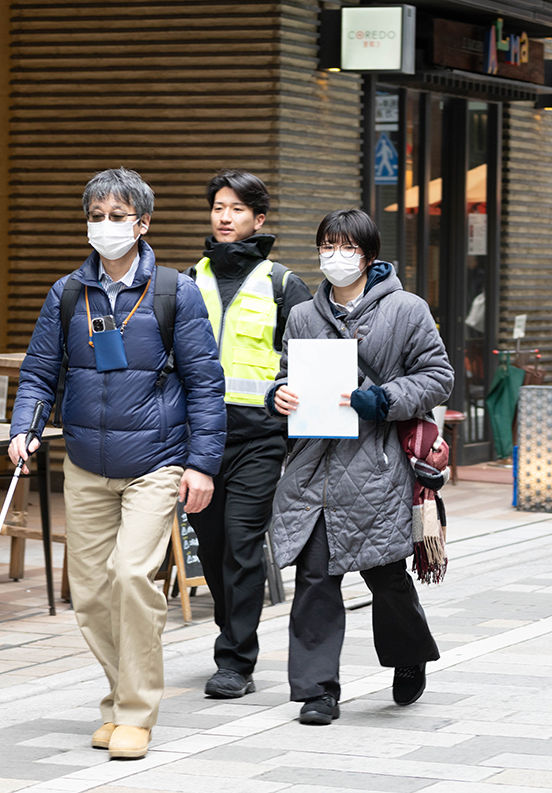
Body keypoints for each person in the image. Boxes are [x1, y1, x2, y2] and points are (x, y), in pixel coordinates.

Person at [8, 168, 226, 760]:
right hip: (84, 463)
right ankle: (118, 695)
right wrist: (23, 428)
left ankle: (135, 713)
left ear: (142, 223)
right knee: (91, 592)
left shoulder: (174, 292)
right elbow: (39, 373)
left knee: (131, 575)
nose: (105, 225)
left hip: (155, 461)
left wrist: (201, 465)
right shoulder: (67, 293)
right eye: (96, 215)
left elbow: (206, 385)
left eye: (116, 215)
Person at [267, 209, 453, 726]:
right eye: (327, 244)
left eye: (346, 246)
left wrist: (384, 398)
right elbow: (287, 376)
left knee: (387, 575)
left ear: (368, 255)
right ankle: (316, 691)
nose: (335, 255)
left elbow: (438, 378)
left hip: (378, 466)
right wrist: (276, 395)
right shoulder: (304, 314)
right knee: (315, 578)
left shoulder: (406, 309)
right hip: (314, 469)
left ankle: (409, 654)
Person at [186, 170, 310, 699]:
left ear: (259, 219)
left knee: (241, 543)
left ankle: (235, 660)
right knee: (212, 548)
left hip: (259, 439)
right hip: (200, 438)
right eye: (218, 207)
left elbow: (306, 358)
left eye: (237, 209)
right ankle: (230, 631)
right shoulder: (189, 279)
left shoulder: (284, 283)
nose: (225, 217)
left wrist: (287, 389)